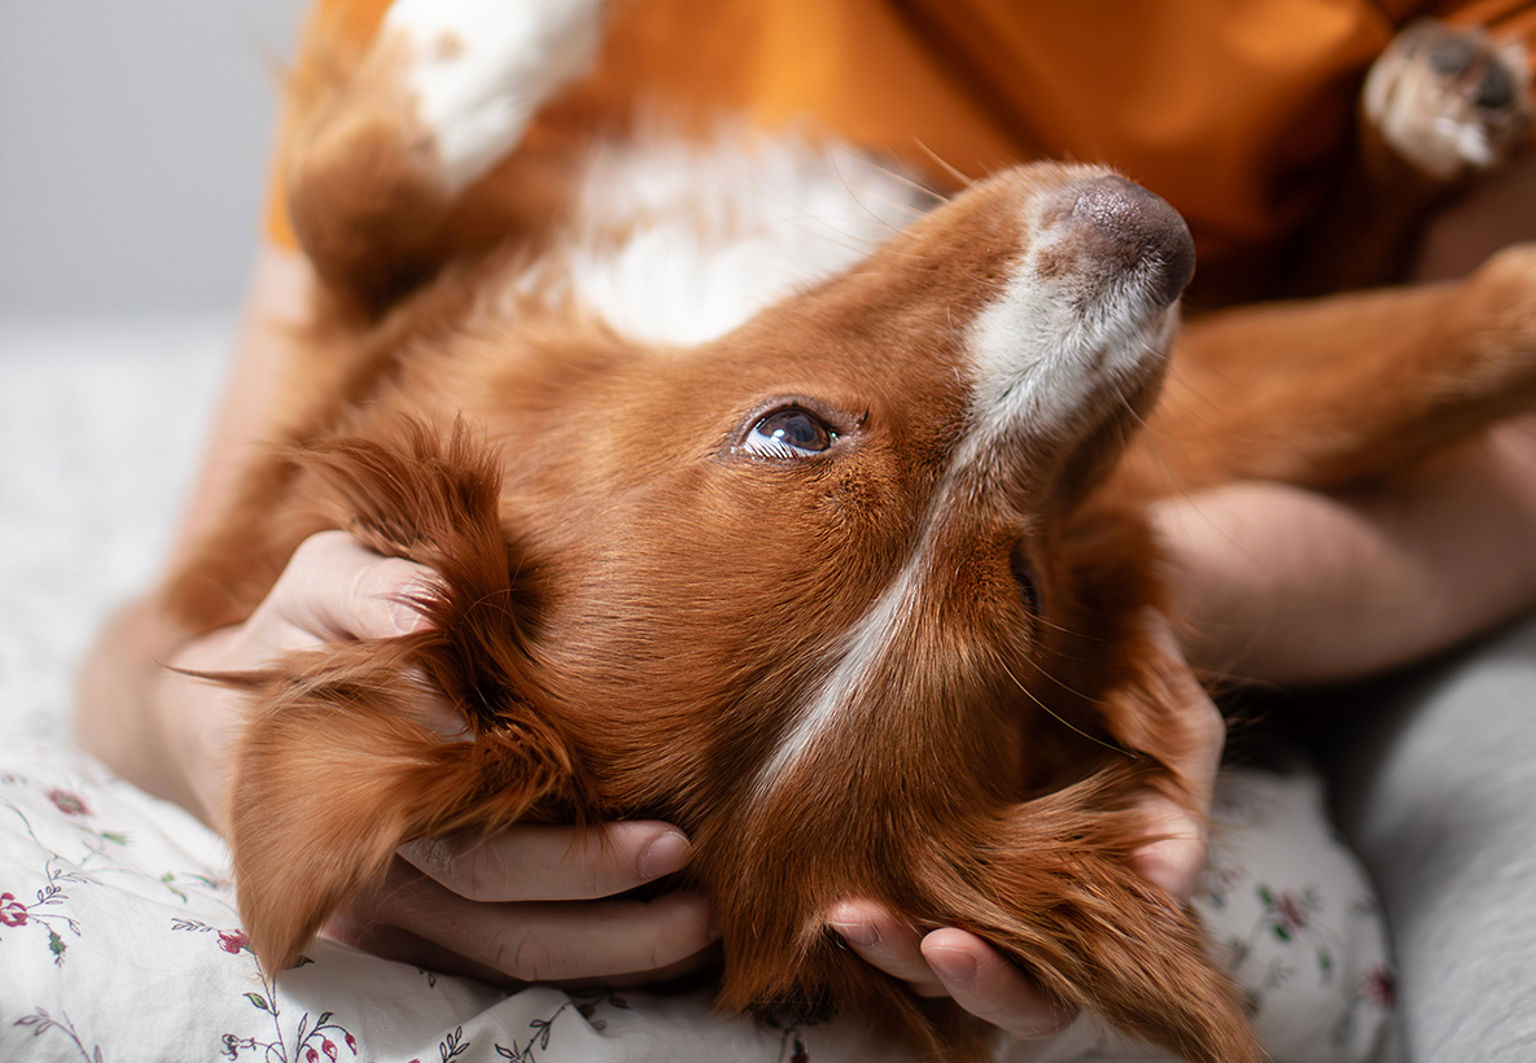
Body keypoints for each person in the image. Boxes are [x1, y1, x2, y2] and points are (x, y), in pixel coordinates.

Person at [74, 0, 1536, 1052]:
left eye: (800, 436)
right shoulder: (1058, 484)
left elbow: (188, 600)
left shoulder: (444, 183)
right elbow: (143, 654)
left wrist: (229, 711)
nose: (1116, 275)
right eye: (1014, 586)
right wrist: (1126, 613)